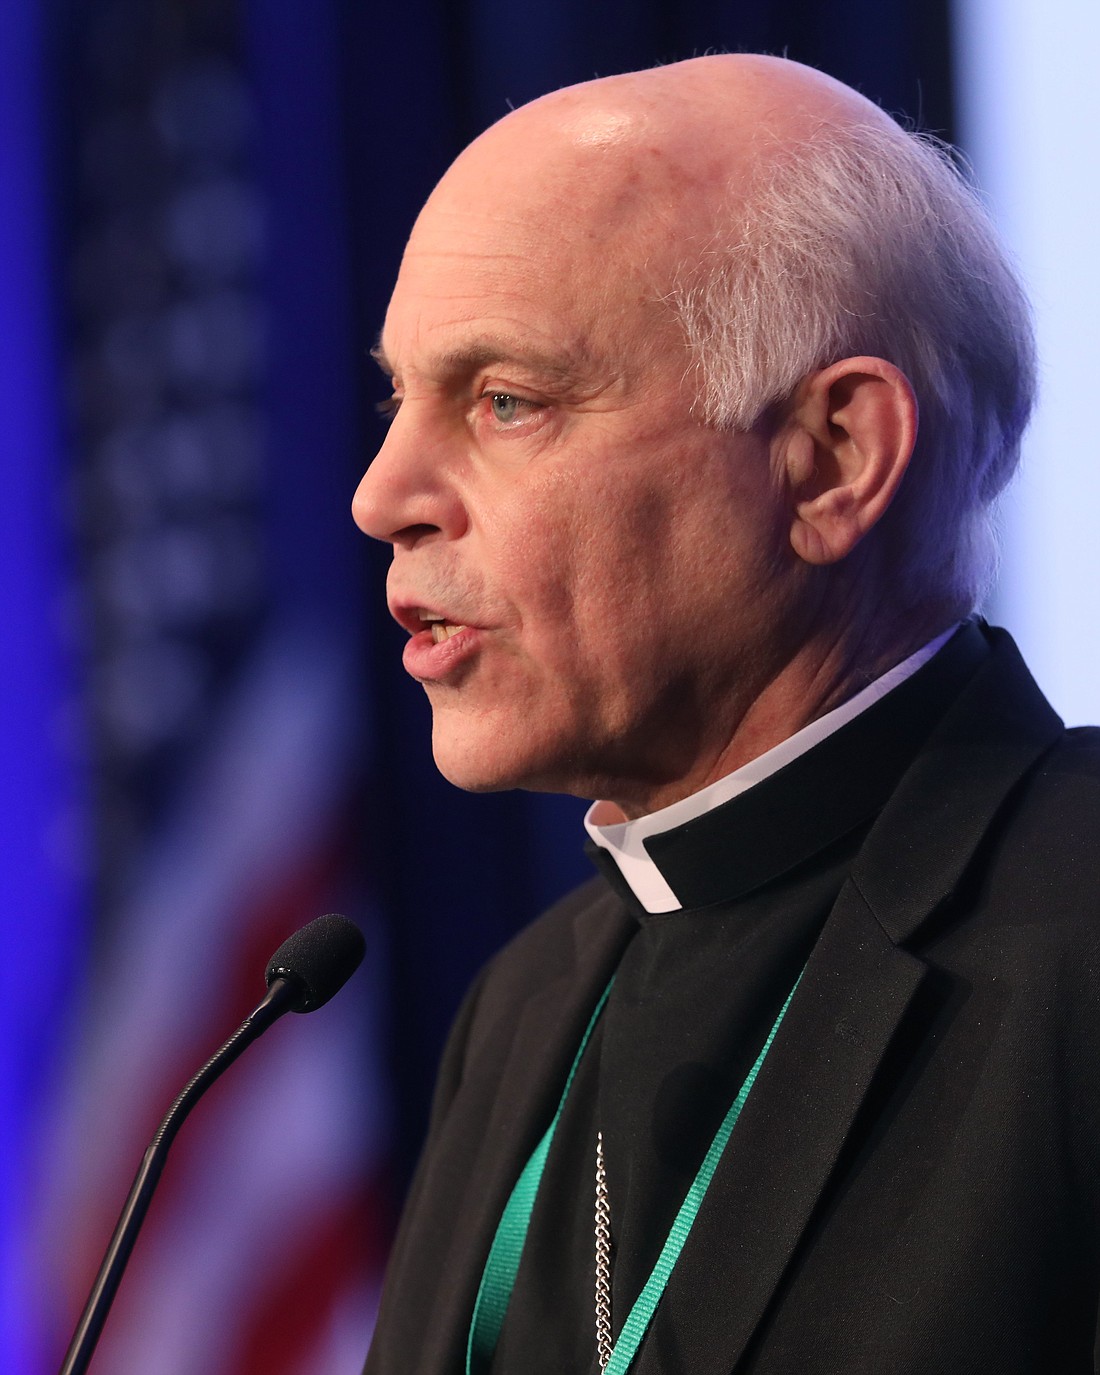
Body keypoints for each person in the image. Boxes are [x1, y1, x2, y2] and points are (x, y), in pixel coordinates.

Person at [353, 53, 1100, 1375]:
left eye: (505, 400)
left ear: (831, 459)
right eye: (395, 399)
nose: (384, 493)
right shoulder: (520, 1008)